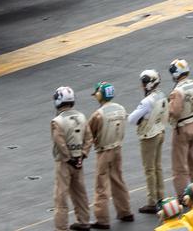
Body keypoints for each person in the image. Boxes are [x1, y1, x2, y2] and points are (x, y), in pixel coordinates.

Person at [88, 82, 135, 229]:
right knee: (118, 180)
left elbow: (89, 134)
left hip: (104, 151)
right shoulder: (121, 109)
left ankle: (102, 219)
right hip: (117, 148)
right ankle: (125, 211)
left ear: (100, 94)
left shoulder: (98, 114)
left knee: (101, 185)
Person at [51, 86, 93, 231]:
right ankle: (84, 221)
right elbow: (89, 138)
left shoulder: (57, 121)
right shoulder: (82, 117)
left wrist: (68, 158)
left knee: (61, 196)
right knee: (80, 192)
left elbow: (60, 143)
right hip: (79, 161)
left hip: (64, 163)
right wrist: (82, 155)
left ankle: (61, 227)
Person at [128, 70, 169, 214]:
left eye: (143, 83)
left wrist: (142, 118)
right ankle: (160, 196)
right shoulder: (162, 95)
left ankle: (152, 201)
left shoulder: (146, 101)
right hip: (160, 131)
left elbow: (131, 119)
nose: (142, 86)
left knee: (149, 169)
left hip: (149, 136)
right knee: (157, 167)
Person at [168, 59, 193, 196]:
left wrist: (168, 108)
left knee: (180, 165)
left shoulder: (177, 91)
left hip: (181, 127)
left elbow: (175, 112)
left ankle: (183, 195)